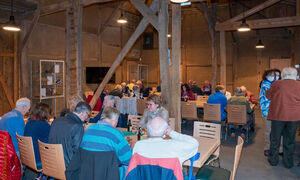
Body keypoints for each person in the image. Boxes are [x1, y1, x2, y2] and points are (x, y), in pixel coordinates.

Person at [81, 107, 132, 179]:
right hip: (109, 174)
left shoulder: (88, 130)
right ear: (115, 120)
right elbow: (127, 159)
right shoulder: (116, 134)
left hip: (89, 172)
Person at [266, 67, 300, 169]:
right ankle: (288, 162)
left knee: (275, 139)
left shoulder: (277, 84)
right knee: (290, 140)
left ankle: (273, 160)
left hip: (278, 115)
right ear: (295, 75)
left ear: (283, 75)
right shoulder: (299, 85)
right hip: (294, 117)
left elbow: (268, 96)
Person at [133, 116, 198, 165]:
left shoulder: (138, 145)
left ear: (148, 130)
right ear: (165, 131)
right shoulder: (175, 146)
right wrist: (171, 132)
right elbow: (194, 143)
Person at [48, 102, 91, 168]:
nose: (87, 118)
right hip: (68, 168)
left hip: (51, 163)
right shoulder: (78, 127)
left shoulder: (56, 121)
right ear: (83, 113)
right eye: (88, 115)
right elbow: (77, 152)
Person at [23, 102, 51, 179]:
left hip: (28, 159)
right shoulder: (44, 125)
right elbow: (50, 143)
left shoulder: (29, 123)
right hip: (38, 159)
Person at [259, 69, 281, 157]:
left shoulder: (275, 84)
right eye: (273, 75)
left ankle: (279, 148)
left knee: (278, 131)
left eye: (278, 75)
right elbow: (271, 96)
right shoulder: (265, 84)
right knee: (269, 131)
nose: (276, 76)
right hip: (267, 111)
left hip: (277, 111)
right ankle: (267, 148)